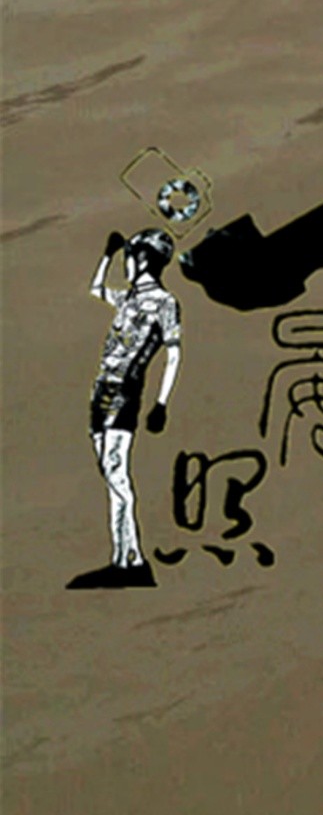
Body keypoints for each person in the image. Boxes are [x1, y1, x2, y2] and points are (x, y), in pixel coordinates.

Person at [71, 230, 181, 587]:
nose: (126, 265)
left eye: (128, 258)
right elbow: (96, 289)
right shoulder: (129, 297)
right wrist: (106, 256)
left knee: (116, 473)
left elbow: (173, 353)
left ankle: (127, 563)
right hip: (102, 389)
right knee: (109, 472)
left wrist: (161, 403)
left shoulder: (164, 303)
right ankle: (131, 557)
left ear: (144, 259)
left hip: (124, 391)